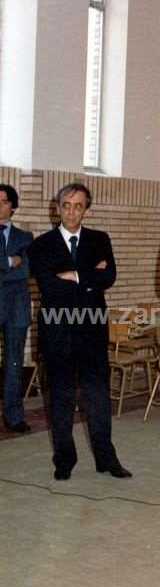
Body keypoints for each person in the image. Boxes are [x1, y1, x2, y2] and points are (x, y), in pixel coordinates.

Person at [28, 183, 131, 481]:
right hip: (57, 331)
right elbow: (48, 286)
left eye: (79, 205)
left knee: (98, 397)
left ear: (87, 209)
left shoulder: (100, 239)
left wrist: (73, 275)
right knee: (60, 397)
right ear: (57, 208)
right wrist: (89, 278)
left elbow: (108, 276)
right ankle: (64, 459)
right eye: (67, 205)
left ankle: (106, 459)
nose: (72, 211)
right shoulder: (41, 245)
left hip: (92, 332)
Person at [0, 184, 33, 434]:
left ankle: (14, 417)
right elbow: (17, 268)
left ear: (13, 206)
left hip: (16, 308)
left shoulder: (25, 238)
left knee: (14, 362)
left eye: (3, 201)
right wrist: (10, 261)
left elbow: (27, 271)